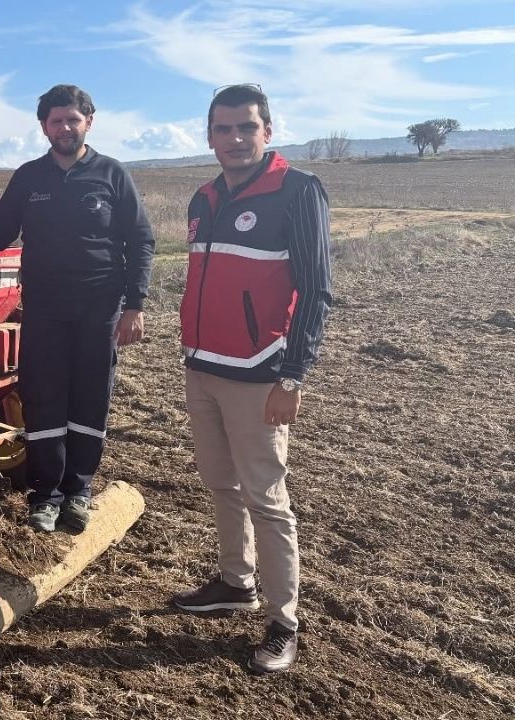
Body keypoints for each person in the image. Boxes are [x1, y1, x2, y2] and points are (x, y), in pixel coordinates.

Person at [0, 84, 154, 534]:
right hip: (44, 308)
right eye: (56, 121)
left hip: (100, 308)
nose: (64, 128)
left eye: (73, 119)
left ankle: (78, 492)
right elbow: (0, 233)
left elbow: (140, 242)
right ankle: (44, 495)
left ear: (89, 121)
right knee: (43, 396)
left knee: (89, 396)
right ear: (44, 126)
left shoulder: (112, 174)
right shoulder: (30, 177)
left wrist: (135, 305)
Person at [172, 83, 332, 674]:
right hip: (203, 368)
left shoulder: (297, 191)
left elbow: (316, 289)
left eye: (247, 128)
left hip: (261, 374)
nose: (235, 139)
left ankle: (283, 620)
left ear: (268, 131)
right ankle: (235, 583)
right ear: (210, 135)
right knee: (220, 483)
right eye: (223, 129)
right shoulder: (204, 197)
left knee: (267, 497)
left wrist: (294, 375)